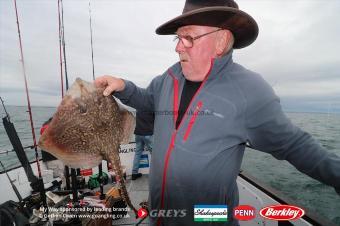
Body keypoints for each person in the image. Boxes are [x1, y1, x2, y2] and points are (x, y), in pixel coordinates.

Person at [94, 1, 340, 225]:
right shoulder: (170, 76)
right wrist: (125, 87)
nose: (179, 47)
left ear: (221, 42)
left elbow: (295, 145)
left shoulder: (249, 90)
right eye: (178, 38)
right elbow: (148, 100)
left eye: (188, 37)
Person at [132, 110, 154, 180]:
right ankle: (156, 173)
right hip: (148, 133)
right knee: (154, 154)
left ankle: (134, 173)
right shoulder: (151, 107)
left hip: (138, 133)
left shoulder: (138, 106)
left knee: (137, 153)